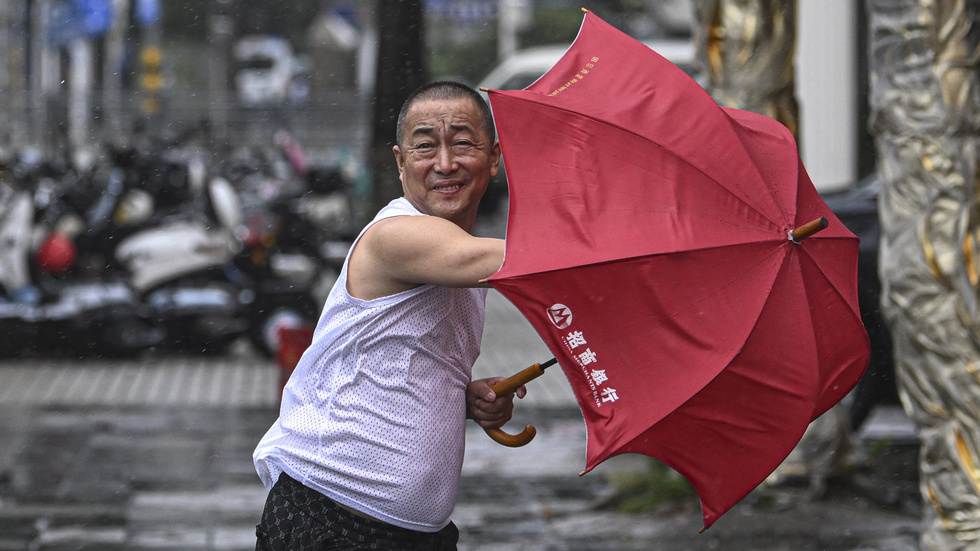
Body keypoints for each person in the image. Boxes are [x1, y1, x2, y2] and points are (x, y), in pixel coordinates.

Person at [252, 81, 524, 550]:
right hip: (331, 524)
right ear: (400, 163)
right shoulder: (395, 236)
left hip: (418, 535)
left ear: (494, 158)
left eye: (462, 143)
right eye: (425, 146)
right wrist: (622, 245)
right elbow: (516, 262)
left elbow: (405, 362)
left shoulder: (464, 253)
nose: (444, 164)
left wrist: (465, 396)